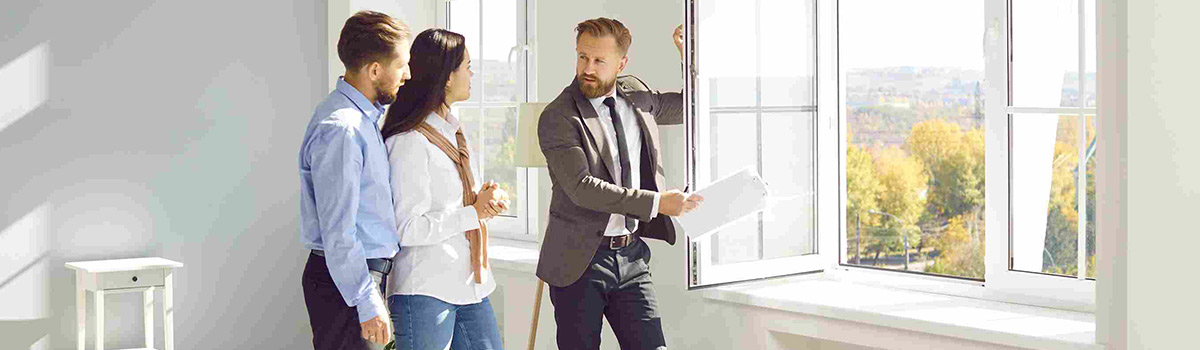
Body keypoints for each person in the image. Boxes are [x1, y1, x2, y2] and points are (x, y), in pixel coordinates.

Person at [536, 18, 703, 350]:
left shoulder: (635, 95)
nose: (588, 68)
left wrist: (689, 57)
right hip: (578, 263)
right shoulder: (559, 116)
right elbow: (582, 187)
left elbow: (690, 106)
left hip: (631, 256)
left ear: (621, 63)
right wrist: (658, 203)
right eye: (583, 57)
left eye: (599, 61)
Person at [380, 28, 509, 350]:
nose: (472, 73)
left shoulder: (454, 133)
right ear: (447, 77)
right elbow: (406, 228)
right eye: (466, 65)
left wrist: (484, 201)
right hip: (426, 289)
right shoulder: (410, 142)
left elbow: (458, 204)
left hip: (469, 284)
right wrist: (472, 212)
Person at [299, 10, 411, 350]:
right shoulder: (343, 130)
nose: (407, 74)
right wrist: (366, 300)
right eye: (402, 64)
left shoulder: (363, 121)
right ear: (375, 70)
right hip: (347, 281)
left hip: (357, 277)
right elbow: (339, 232)